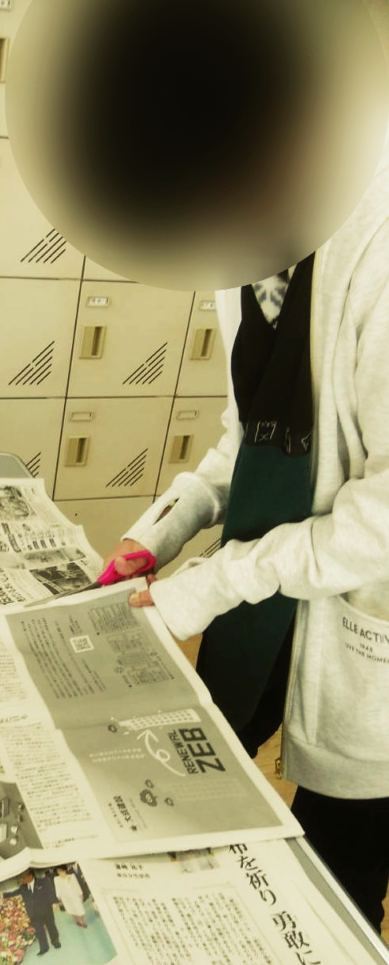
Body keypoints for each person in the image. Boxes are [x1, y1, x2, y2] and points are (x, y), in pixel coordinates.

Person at [103, 135, 389, 932]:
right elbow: (254, 432)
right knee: (205, 779)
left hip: (364, 619)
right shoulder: (245, 243)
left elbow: (383, 516)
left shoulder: (378, 246)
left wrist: (218, 582)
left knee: (343, 876)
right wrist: (167, 527)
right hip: (275, 589)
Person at [4, 868, 61, 955]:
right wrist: (4, 895)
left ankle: (55, 941)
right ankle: (44, 947)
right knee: (39, 931)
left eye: (23, 877)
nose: (22, 880)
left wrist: (54, 902)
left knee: (51, 926)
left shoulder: (42, 881)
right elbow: (14, 892)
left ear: (30, 875)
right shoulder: (23, 887)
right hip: (34, 913)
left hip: (46, 910)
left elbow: (50, 891)